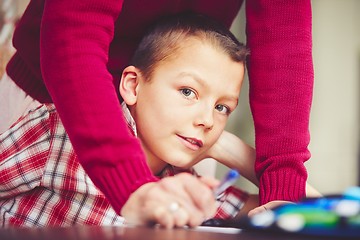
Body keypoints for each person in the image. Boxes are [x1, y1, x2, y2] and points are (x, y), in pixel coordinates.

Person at [0, 0, 314, 226]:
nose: (207, 119)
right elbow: (75, 30)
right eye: (189, 92)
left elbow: (309, 211)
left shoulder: (186, 181)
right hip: (58, 94)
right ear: (132, 85)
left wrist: (278, 176)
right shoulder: (51, 139)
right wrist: (131, 186)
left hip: (171, 133)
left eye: (222, 108)